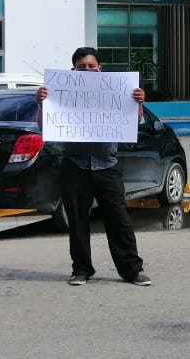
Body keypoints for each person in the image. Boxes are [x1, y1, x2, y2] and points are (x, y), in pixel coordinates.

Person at [36, 47, 152, 287]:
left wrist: (138, 102)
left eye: (91, 66)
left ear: (100, 68)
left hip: (107, 165)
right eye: (82, 67)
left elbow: (135, 120)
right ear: (73, 71)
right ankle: (81, 269)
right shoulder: (62, 92)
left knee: (119, 220)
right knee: (77, 221)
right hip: (75, 165)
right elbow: (45, 126)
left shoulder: (116, 90)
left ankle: (132, 270)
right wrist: (42, 104)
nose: (87, 70)